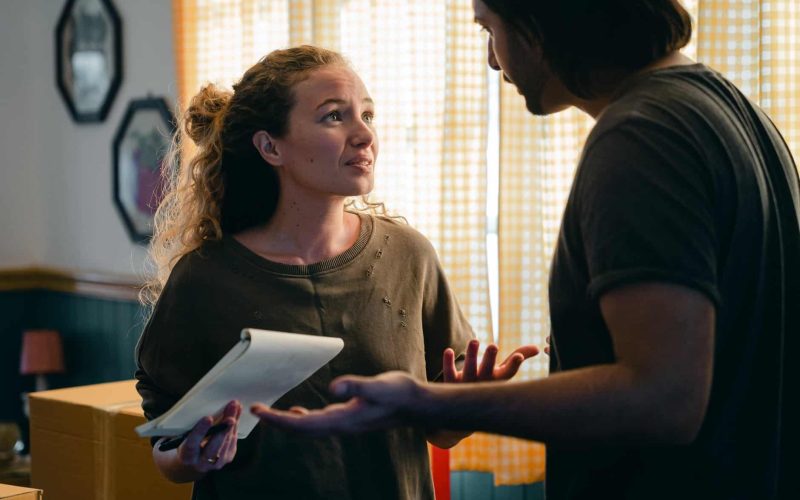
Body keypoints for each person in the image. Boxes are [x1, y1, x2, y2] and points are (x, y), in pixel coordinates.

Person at [254, 2, 800, 499]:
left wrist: (423, 402)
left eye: (491, 30)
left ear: (541, 23)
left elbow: (664, 400)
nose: (494, 61)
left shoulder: (642, 136)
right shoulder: (734, 112)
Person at [134, 45, 537, 500]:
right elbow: (167, 447)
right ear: (270, 146)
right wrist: (188, 458)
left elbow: (439, 433)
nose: (364, 134)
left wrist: (467, 401)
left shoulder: (409, 256)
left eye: (368, 114)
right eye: (334, 117)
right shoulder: (205, 278)